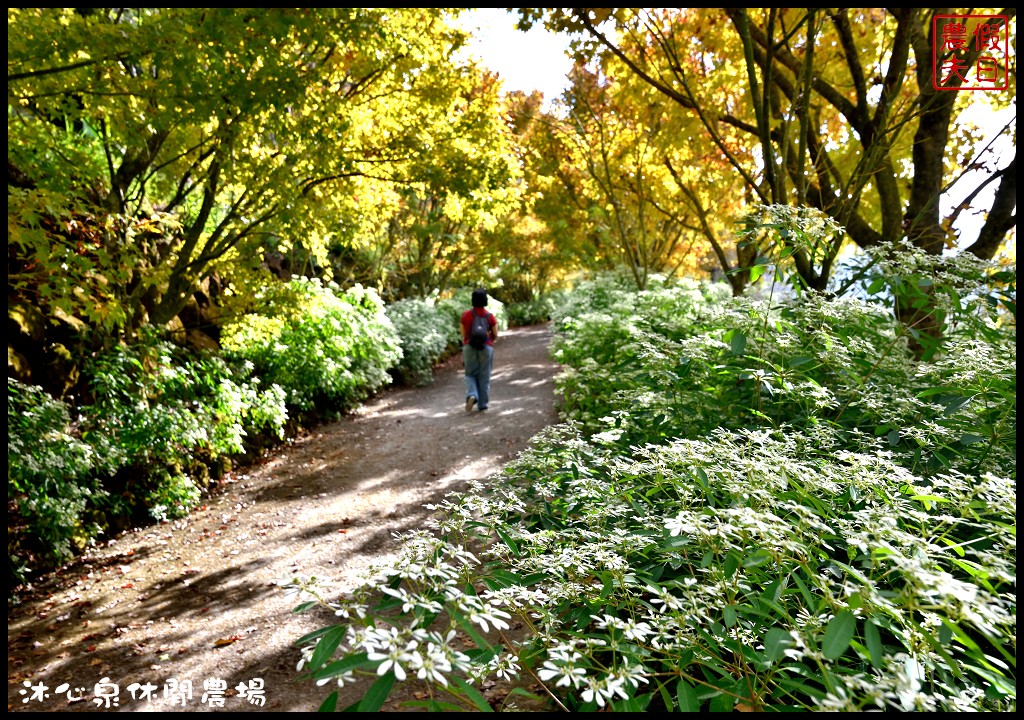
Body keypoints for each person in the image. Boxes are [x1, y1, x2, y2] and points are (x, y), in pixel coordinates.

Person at [461, 288, 498, 412]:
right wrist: (490, 339)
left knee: (470, 374)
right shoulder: (489, 316)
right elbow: (495, 334)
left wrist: (467, 342)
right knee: (484, 375)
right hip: (486, 347)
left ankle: (472, 394)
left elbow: (464, 334)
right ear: (485, 300)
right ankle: (483, 404)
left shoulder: (466, 315)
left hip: (469, 347)